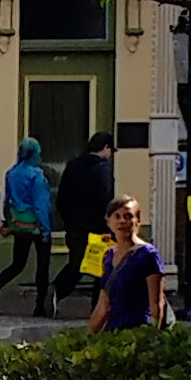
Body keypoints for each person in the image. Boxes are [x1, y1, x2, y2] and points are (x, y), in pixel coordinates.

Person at [0, 135, 60, 314]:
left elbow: (8, 200)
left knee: (17, 263)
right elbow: (40, 204)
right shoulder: (36, 175)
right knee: (42, 266)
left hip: (19, 224)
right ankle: (39, 306)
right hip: (36, 225)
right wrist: (45, 228)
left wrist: (9, 220)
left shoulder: (12, 173)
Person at [52, 132, 116, 309]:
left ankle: (57, 289)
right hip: (98, 227)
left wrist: (67, 219)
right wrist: (108, 223)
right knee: (102, 268)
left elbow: (62, 196)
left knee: (78, 263)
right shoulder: (103, 168)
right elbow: (105, 197)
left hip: (74, 226)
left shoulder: (73, 166)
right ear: (105, 148)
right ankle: (98, 307)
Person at [83, 196, 166, 332]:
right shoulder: (108, 256)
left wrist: (153, 335)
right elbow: (103, 305)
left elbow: (156, 303)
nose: (122, 221)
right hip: (114, 332)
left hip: (139, 332)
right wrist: (87, 339)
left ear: (137, 221)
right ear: (109, 222)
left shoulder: (148, 254)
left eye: (128, 216)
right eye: (117, 216)